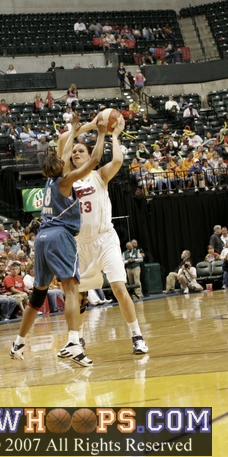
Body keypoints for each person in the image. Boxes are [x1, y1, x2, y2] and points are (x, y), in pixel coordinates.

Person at [10, 114, 107, 366]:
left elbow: (61, 153)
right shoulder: (66, 181)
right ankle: (74, 342)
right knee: (71, 289)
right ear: (62, 166)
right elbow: (95, 160)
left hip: (41, 238)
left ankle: (18, 342)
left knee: (37, 295)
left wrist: (74, 129)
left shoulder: (50, 180)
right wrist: (102, 133)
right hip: (59, 236)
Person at [58, 115, 148, 355]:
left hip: (105, 239)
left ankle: (137, 336)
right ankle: (77, 340)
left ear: (90, 157)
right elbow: (62, 145)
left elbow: (117, 159)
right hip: (80, 244)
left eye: (80, 151)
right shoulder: (68, 179)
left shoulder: (99, 176)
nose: (76, 153)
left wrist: (113, 136)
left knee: (119, 288)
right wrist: (82, 128)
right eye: (74, 151)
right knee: (79, 295)